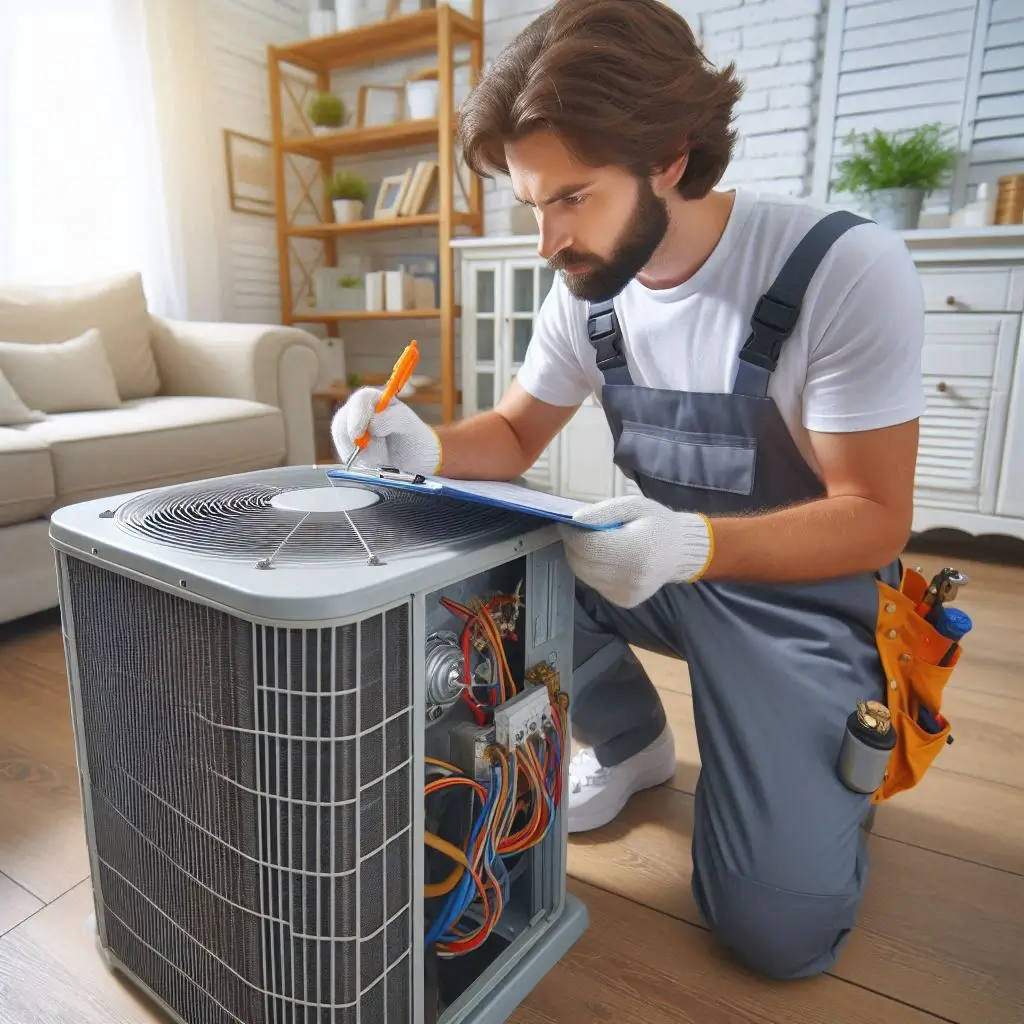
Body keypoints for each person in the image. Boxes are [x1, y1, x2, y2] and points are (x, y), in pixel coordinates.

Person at [331, 0, 925, 983]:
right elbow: (518, 432)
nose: (545, 241)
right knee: (496, 551)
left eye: (571, 198)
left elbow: (874, 516)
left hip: (804, 605)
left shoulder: (838, 269)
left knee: (779, 933)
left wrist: (696, 544)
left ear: (672, 157)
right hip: (664, 566)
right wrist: (420, 439)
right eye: (531, 205)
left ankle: (829, 765)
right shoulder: (585, 288)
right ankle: (631, 738)